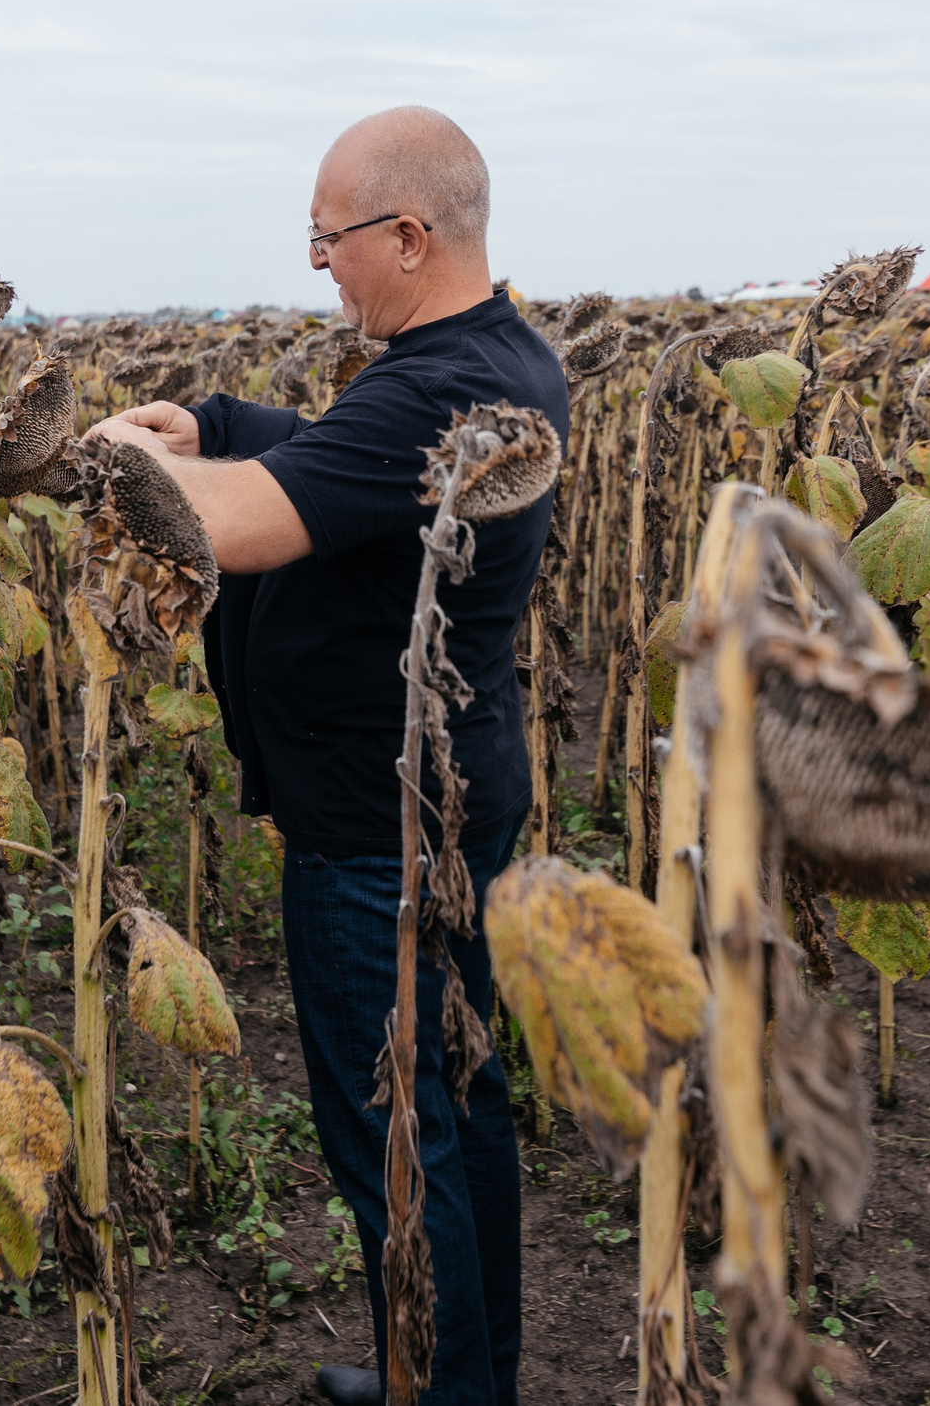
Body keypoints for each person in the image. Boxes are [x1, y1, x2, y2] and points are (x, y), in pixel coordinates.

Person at [87, 106, 566, 1406]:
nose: (317, 263)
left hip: (379, 831)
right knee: (455, 1115)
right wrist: (216, 415)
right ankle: (457, 1378)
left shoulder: (439, 389)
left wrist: (110, 457)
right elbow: (342, 461)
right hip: (444, 795)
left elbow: (235, 527)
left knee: (396, 1143)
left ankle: (441, 1394)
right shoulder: (500, 355)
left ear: (408, 236)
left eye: (327, 236)